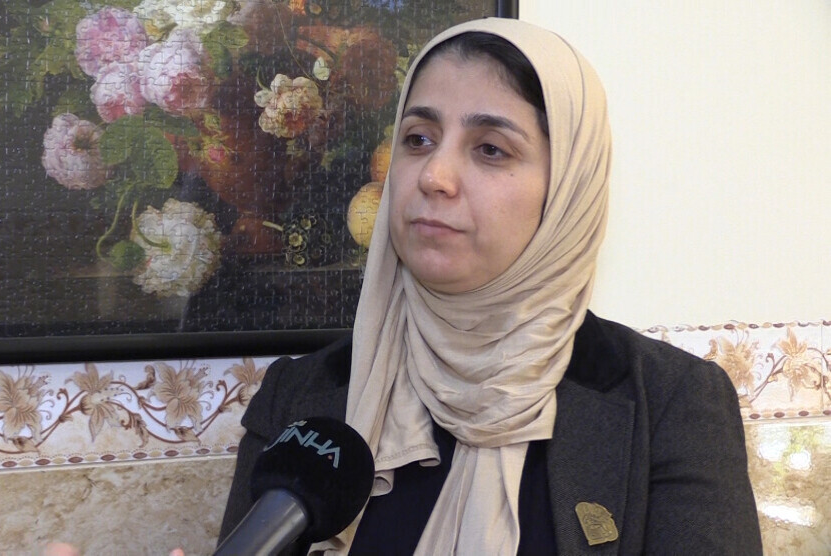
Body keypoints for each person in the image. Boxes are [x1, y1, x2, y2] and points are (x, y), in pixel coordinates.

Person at [220, 17, 762, 555]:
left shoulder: (670, 406)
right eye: (418, 139)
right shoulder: (295, 398)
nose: (433, 175)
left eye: (490, 149)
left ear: (567, 190)